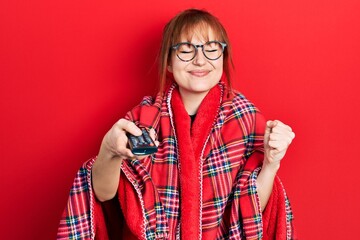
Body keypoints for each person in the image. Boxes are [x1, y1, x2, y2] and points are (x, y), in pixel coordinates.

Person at [58, 9, 296, 240]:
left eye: (212, 49)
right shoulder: (143, 120)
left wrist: (271, 164)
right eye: (185, 50)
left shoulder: (246, 118)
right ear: (169, 62)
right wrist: (108, 151)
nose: (200, 60)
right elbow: (103, 194)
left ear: (223, 58)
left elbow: (252, 209)